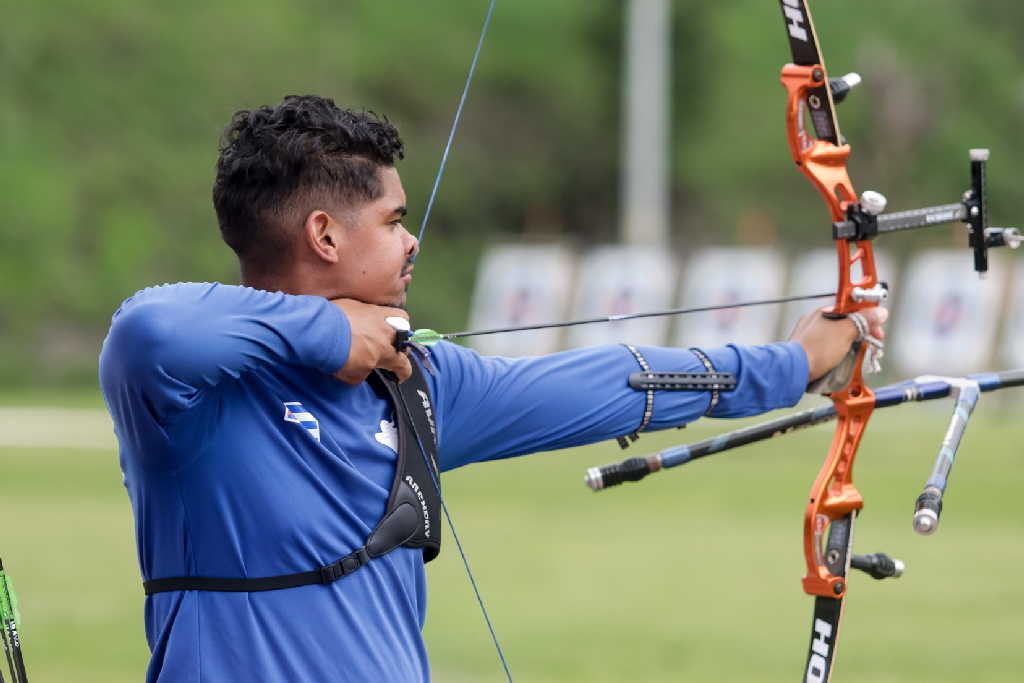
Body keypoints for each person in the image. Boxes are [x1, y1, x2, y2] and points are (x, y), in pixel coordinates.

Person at [99, 94, 887, 682]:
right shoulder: (186, 398)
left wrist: (794, 366)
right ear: (325, 235)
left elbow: (612, 381)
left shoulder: (412, 384)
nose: (412, 242)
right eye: (393, 220)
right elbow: (152, 328)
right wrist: (334, 333)